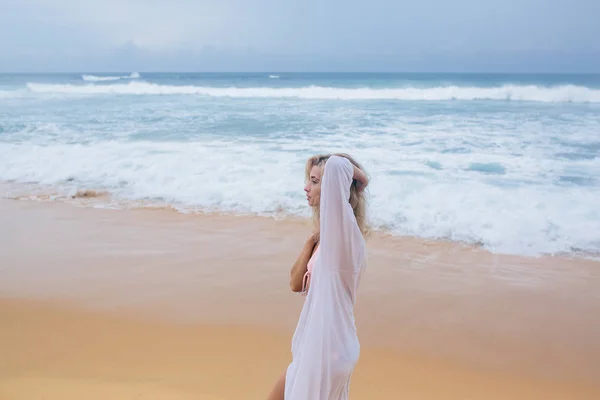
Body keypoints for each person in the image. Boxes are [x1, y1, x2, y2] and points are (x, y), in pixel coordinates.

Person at [267, 153, 369, 400]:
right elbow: (294, 283)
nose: (306, 187)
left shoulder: (345, 239)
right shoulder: (324, 241)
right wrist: (311, 240)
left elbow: (336, 165)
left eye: (314, 181)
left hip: (329, 349)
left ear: (334, 186)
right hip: (316, 346)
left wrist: (362, 179)